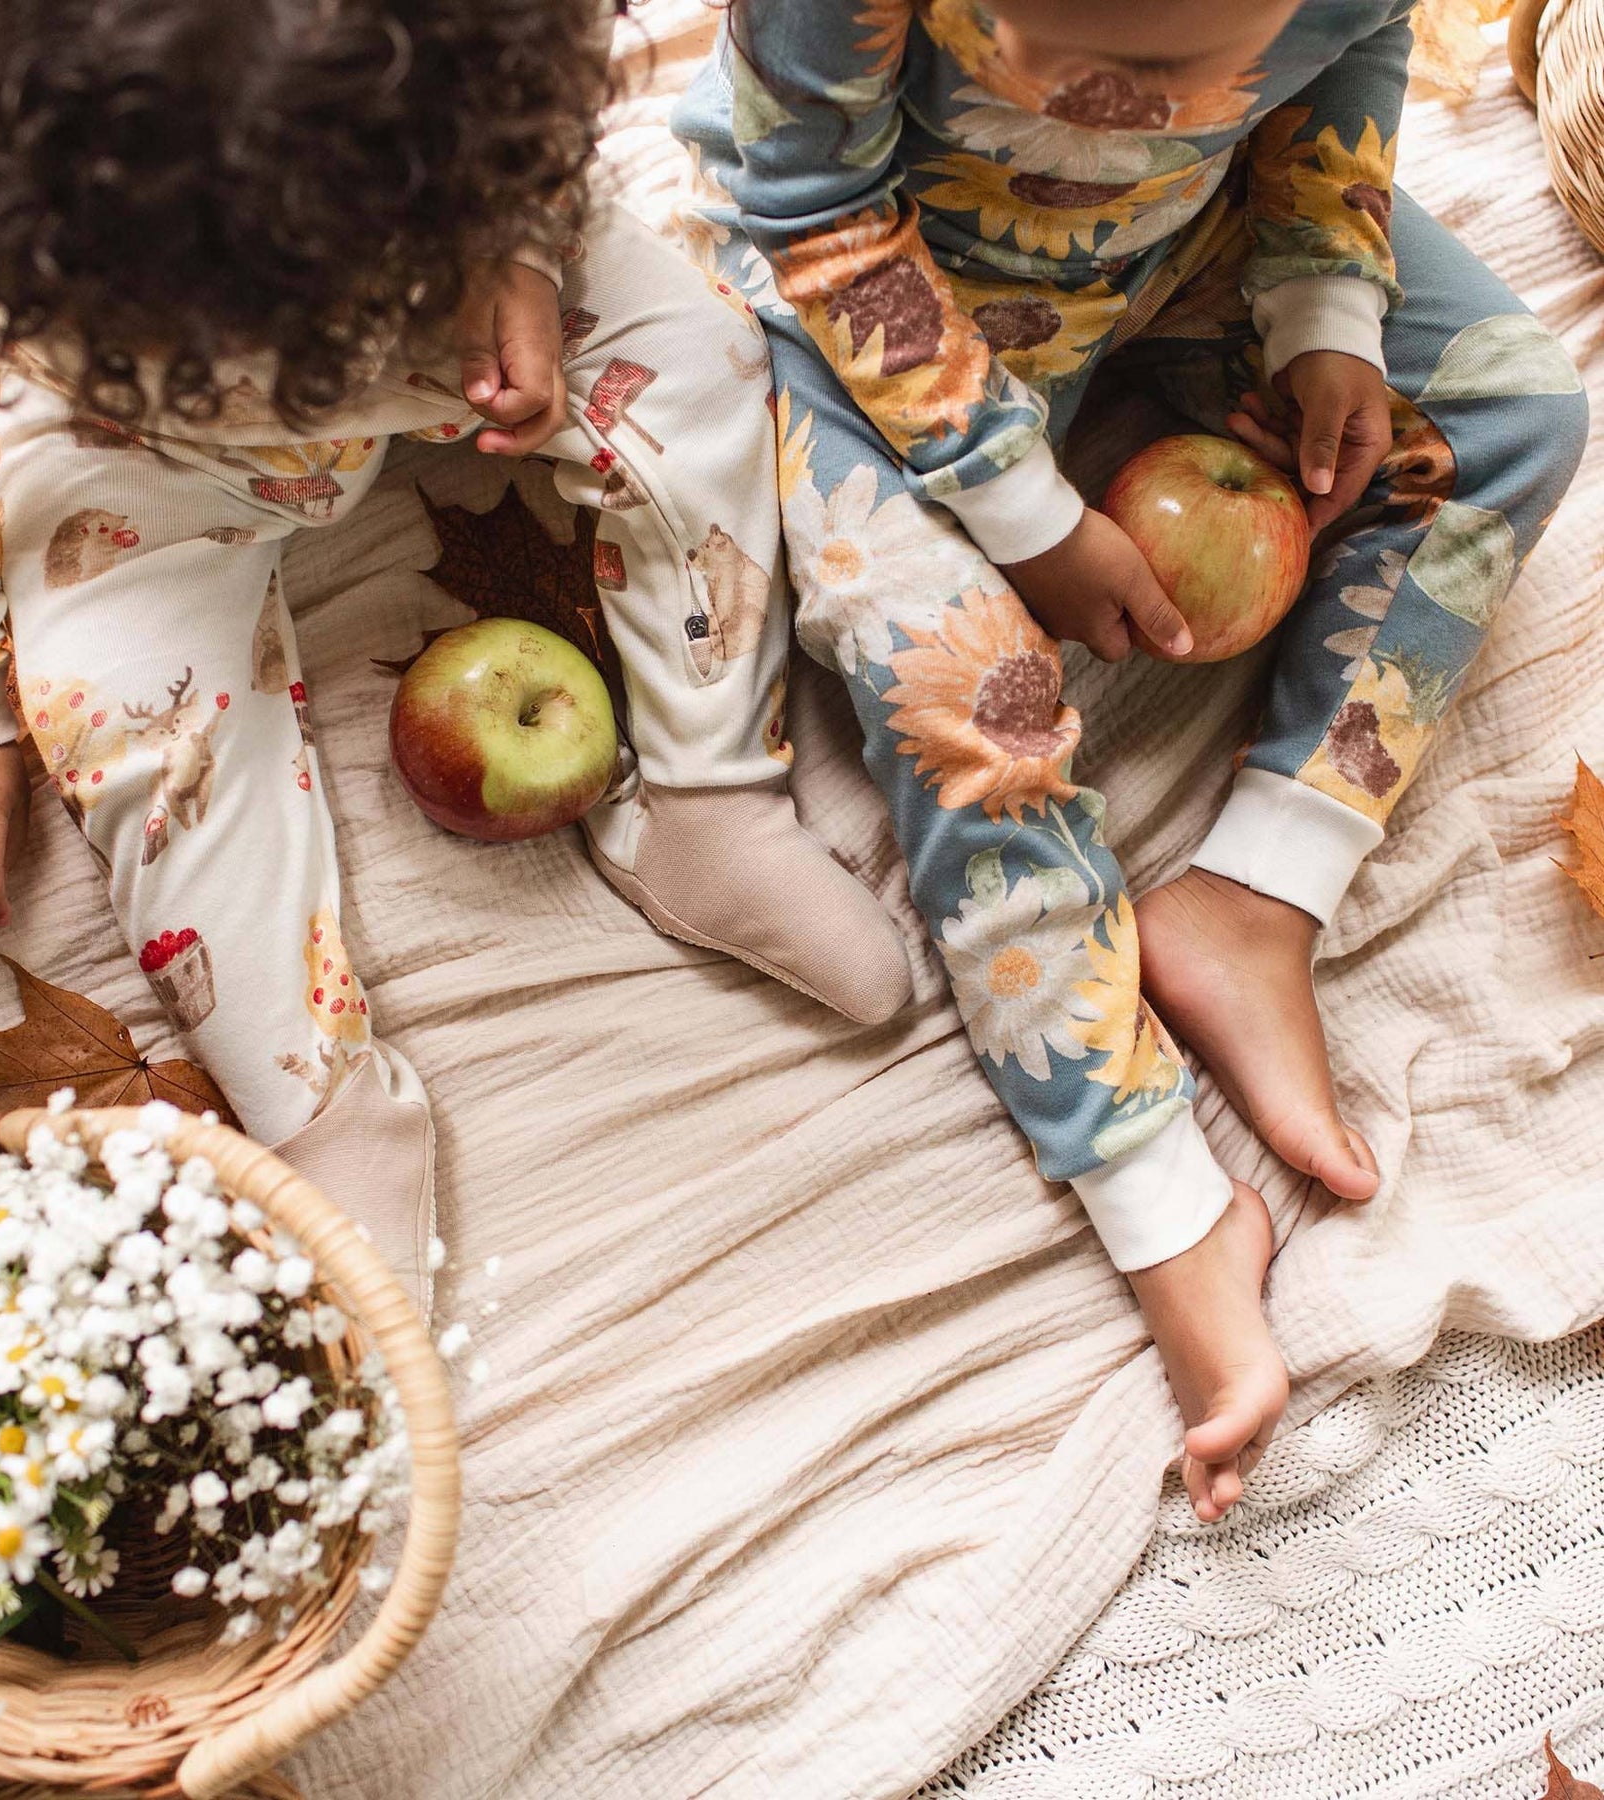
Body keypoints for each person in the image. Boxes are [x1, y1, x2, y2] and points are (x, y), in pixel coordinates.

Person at [0, 0, 914, 1306]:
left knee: (700, 353)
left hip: (450, 295)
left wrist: (512, 237)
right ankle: (318, 1099)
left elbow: (538, 83)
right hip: (142, 444)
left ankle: (709, 791)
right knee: (133, 725)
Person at [675, 0, 1588, 1516]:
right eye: (1047, 48)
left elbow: (1354, 56)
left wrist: (1325, 313)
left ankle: (1261, 891)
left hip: (1180, 249)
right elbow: (814, 206)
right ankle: (1160, 1199)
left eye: (1168, 71)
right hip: (857, 306)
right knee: (964, 686)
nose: (1111, 107)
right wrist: (1023, 513)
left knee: (1517, 409)